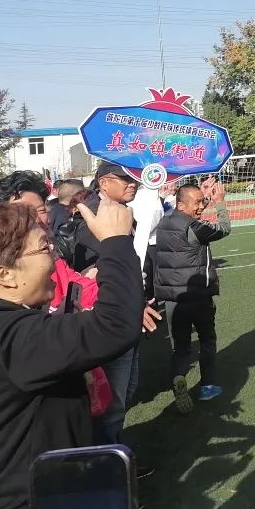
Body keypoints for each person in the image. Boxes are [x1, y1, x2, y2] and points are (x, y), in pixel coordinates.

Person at [0, 199, 143, 509]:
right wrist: (116, 241)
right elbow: (115, 325)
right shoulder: (6, 336)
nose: (55, 257)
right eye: (44, 248)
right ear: (5, 275)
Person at [69, 162, 156, 451]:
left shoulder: (119, 212)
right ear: (104, 183)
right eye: (125, 178)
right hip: (108, 317)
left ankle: (114, 451)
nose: (133, 183)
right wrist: (132, 303)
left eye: (135, 179)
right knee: (111, 401)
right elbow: (98, 275)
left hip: (126, 311)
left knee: (125, 391)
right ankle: (108, 462)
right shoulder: (94, 218)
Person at [152, 180, 230, 413]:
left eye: (202, 202)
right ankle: (207, 386)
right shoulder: (194, 228)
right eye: (197, 203)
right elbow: (223, 229)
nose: (201, 206)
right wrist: (219, 203)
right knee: (207, 339)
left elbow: (188, 214)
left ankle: (178, 376)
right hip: (197, 295)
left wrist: (200, 197)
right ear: (182, 205)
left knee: (181, 346)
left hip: (172, 298)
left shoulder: (165, 221)